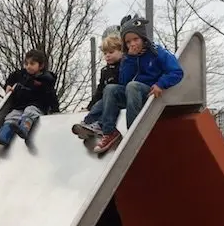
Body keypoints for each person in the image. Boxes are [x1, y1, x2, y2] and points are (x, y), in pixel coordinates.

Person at [93, 15, 184, 154]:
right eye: (128, 42)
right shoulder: (128, 57)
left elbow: (176, 72)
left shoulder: (157, 52)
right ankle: (109, 132)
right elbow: (124, 81)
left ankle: (133, 131)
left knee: (133, 86)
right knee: (111, 88)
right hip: (131, 94)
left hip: (149, 92)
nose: (132, 44)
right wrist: (130, 59)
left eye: (135, 39)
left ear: (143, 38)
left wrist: (161, 84)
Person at [0, 49, 60, 146]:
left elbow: (51, 95)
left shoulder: (46, 79)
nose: (28, 66)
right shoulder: (21, 74)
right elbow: (11, 78)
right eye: (26, 63)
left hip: (37, 105)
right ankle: (3, 136)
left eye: (32, 64)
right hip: (20, 105)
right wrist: (8, 86)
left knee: (30, 111)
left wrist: (55, 110)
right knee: (12, 116)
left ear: (41, 66)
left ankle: (24, 129)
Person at [72, 34, 124, 139]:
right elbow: (100, 91)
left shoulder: (124, 66)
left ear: (121, 52)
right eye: (105, 53)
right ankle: (87, 124)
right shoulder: (105, 70)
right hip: (107, 100)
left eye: (111, 52)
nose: (107, 56)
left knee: (103, 103)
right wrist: (89, 106)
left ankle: (100, 124)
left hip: (119, 98)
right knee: (98, 104)